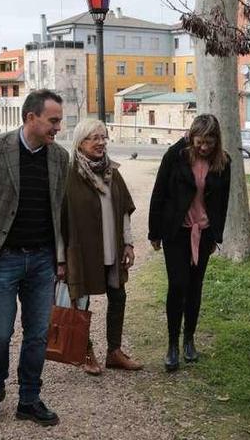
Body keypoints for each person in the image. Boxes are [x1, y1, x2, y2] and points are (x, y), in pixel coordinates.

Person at [0, 89, 68, 427]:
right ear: (31, 118)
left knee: (37, 333)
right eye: (53, 121)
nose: (58, 127)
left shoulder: (59, 158)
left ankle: (29, 398)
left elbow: (59, 209)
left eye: (59, 121)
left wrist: (59, 256)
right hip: (3, 259)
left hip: (42, 260)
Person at [148, 114, 231, 372]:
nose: (204, 147)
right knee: (178, 285)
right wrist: (154, 232)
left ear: (216, 141)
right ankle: (172, 344)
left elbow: (223, 201)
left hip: (203, 232)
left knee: (195, 286)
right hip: (177, 231)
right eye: (200, 141)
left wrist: (216, 234)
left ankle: (189, 340)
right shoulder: (176, 156)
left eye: (209, 142)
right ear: (191, 137)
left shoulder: (223, 162)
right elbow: (159, 191)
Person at [61, 119, 142, 376]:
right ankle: (85, 351)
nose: (100, 142)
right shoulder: (69, 174)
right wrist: (60, 257)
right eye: (93, 138)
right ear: (80, 142)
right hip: (83, 250)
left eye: (103, 137)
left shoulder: (111, 171)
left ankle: (114, 352)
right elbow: (60, 218)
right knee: (81, 299)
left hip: (112, 247)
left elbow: (124, 211)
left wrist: (128, 242)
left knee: (118, 296)